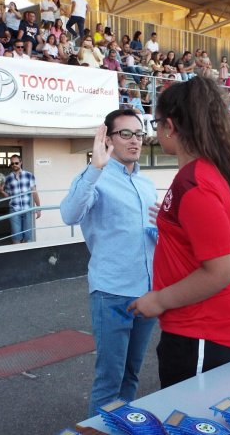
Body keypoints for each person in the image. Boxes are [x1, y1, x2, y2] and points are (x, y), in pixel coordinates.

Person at [128, 77, 230, 389]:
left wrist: (159, 299)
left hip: (202, 331)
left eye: (156, 123)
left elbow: (220, 271)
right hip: (197, 328)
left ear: (169, 126)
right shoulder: (199, 175)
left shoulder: (196, 184)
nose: (155, 131)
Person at [60, 109, 158, 416]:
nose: (134, 141)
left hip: (147, 293)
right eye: (125, 134)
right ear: (108, 139)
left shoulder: (145, 185)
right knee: (109, 380)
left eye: (139, 134)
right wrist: (94, 168)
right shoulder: (95, 177)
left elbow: (148, 236)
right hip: (112, 292)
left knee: (131, 376)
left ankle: (123, 424)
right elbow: (69, 215)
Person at [0, 154, 41, 244]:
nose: (14, 165)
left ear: (21, 162)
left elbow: (34, 192)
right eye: (12, 163)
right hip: (14, 209)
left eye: (16, 163)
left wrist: (38, 207)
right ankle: (17, 256)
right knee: (16, 236)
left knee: (27, 236)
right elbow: (9, 196)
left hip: (27, 209)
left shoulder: (29, 175)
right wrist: (2, 191)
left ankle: (26, 256)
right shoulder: (8, 178)